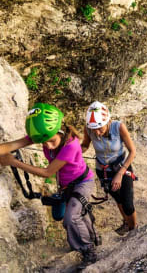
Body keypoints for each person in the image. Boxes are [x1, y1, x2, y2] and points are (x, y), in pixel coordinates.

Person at [0, 103, 97, 268]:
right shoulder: (42, 134)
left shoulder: (71, 145)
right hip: (66, 186)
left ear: (58, 131)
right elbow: (12, 145)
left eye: (51, 141)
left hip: (82, 182)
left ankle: (88, 251)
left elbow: (47, 172)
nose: (48, 146)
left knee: (71, 217)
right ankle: (91, 237)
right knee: (66, 215)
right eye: (43, 143)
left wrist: (13, 162)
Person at [81, 101, 137, 235]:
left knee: (128, 203)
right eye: (95, 130)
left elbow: (133, 151)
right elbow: (85, 145)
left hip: (122, 167)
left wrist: (120, 174)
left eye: (100, 129)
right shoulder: (89, 129)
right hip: (103, 171)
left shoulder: (118, 127)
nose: (98, 133)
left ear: (108, 121)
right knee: (118, 199)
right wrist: (72, 152)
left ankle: (134, 229)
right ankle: (126, 223)